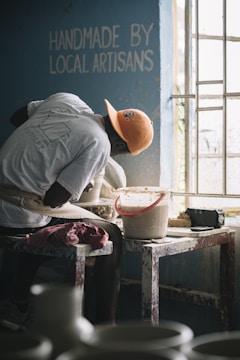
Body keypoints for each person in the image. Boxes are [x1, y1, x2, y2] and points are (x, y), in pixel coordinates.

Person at [0, 92, 154, 326]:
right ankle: (106, 325)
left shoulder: (67, 100)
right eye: (121, 153)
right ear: (121, 145)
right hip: (15, 212)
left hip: (6, 194)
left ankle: (18, 301)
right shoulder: (100, 143)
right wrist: (76, 180)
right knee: (112, 232)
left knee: (47, 221)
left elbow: (16, 117)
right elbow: (54, 199)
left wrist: (41, 154)